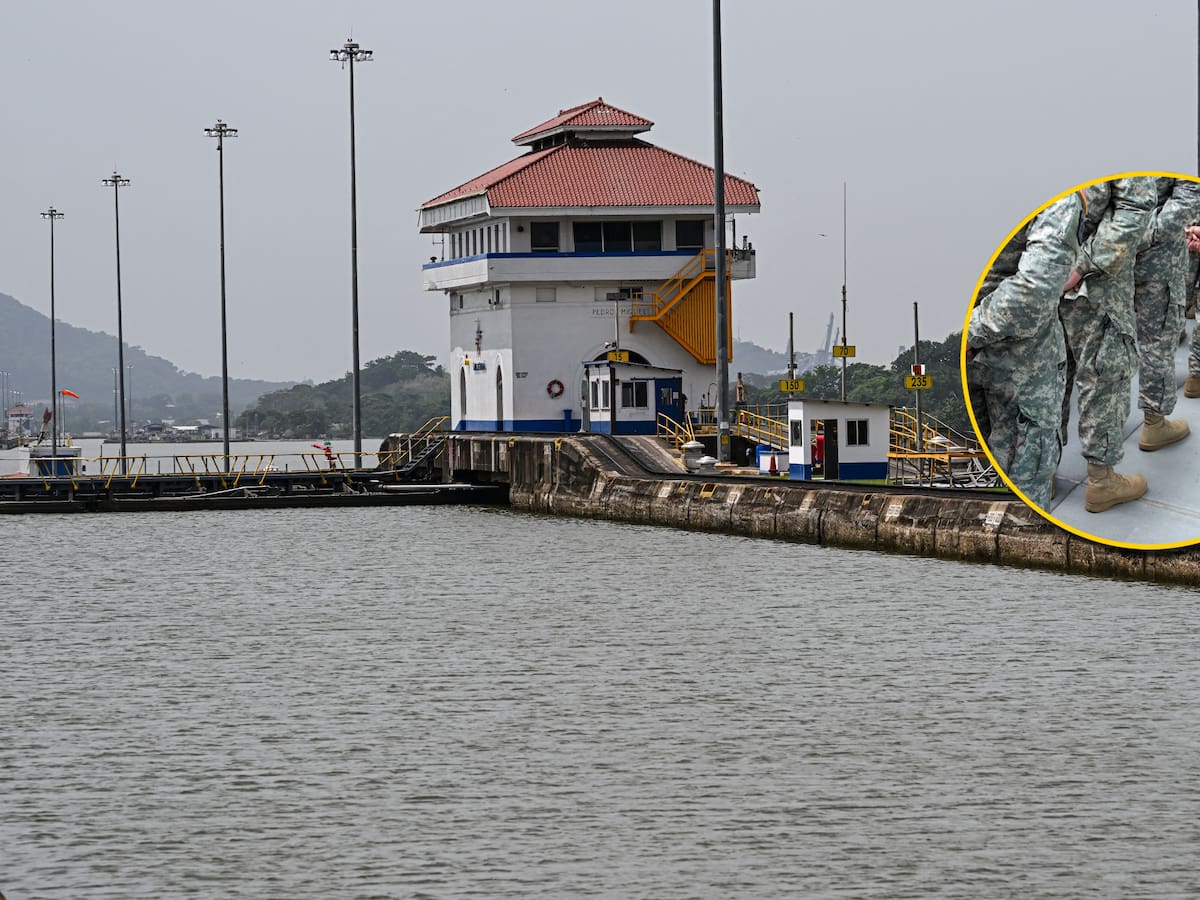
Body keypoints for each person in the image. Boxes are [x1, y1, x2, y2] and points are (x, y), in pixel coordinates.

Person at [966, 191, 1084, 509]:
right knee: (1025, 481)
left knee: (1010, 462)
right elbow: (1034, 292)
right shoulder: (1060, 201)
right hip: (1021, 365)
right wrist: (972, 333)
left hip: (993, 359)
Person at [1058, 176, 1155, 513]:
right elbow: (1134, 207)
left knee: (1051, 371)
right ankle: (1102, 481)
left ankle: (1042, 470)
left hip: (1043, 274)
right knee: (1104, 373)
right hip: (1092, 282)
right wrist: (1083, 266)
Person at [1133, 177, 1200, 450]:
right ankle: (1154, 422)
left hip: (1096, 258)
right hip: (1156, 258)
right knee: (1156, 340)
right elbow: (1185, 200)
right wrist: (1140, 236)